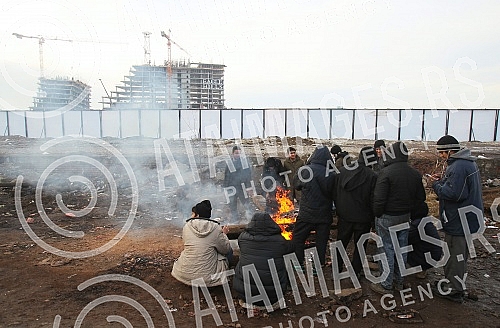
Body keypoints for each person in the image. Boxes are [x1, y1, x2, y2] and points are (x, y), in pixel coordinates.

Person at [429, 135, 483, 303]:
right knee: (454, 253)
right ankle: (450, 282)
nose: (441, 156)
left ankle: (454, 290)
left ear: (450, 151)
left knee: (457, 254)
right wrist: (444, 180)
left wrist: (436, 185)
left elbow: (454, 194)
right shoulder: (467, 162)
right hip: (464, 218)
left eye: (442, 153)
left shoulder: (458, 166)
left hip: (460, 219)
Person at [370, 141, 426, 295]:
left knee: (386, 248)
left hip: (387, 217)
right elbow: (420, 197)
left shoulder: (386, 172)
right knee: (401, 249)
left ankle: (386, 284)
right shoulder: (414, 173)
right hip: (404, 217)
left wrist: (377, 214)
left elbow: (379, 198)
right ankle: (399, 281)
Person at [233, 212, 295, 310]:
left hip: (246, 294)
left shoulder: (243, 238)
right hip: (273, 297)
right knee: (283, 261)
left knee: (242, 260)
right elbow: (290, 248)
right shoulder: (280, 241)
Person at [333, 146, 377, 278]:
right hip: (363, 218)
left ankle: (336, 269)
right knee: (360, 246)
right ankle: (356, 271)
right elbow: (373, 199)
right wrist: (373, 218)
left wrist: (339, 209)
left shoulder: (342, 171)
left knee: (340, 242)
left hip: (345, 216)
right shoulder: (372, 176)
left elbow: (335, 193)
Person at [171, 200, 232, 287]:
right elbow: (225, 249)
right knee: (229, 251)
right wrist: (224, 235)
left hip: (184, 274)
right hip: (208, 279)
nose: (191, 215)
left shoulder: (187, 226)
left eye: (193, 213)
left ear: (197, 215)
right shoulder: (215, 228)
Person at [292, 145, 336, 267]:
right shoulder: (332, 173)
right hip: (324, 214)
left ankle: (298, 264)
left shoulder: (305, 170)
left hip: (307, 214)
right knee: (321, 242)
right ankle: (319, 265)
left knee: (298, 238)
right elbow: (335, 193)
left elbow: (296, 185)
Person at [407, 201, 443, 279]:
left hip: (428, 257)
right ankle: (422, 268)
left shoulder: (417, 224)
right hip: (435, 255)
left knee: (400, 245)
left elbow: (406, 239)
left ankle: (419, 267)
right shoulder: (427, 221)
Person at [223, 145, 253, 223]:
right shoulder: (229, 163)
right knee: (232, 205)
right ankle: (235, 220)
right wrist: (225, 188)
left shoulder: (244, 163)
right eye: (236, 153)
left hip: (241, 187)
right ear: (232, 153)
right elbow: (226, 175)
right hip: (231, 188)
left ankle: (251, 218)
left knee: (246, 203)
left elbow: (248, 176)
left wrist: (248, 187)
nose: (238, 155)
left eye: (239, 153)